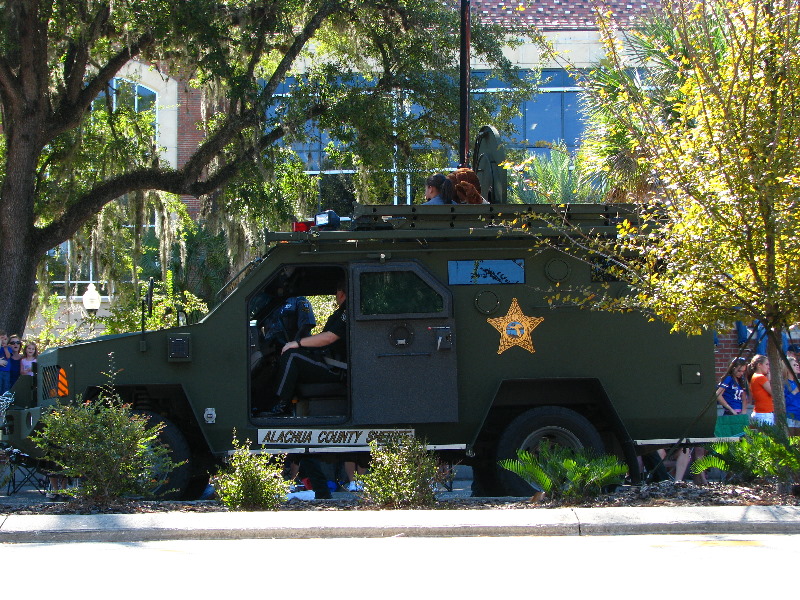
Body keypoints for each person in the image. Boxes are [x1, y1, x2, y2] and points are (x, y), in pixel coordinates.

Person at [264, 280, 348, 416]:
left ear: (342, 294)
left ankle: (281, 407)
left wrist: (297, 343)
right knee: (293, 354)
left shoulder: (347, 312)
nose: (336, 295)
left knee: (292, 355)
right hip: (327, 360)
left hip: (336, 368)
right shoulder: (340, 312)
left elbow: (329, 337)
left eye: (337, 292)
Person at [748, 354, 773, 425]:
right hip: (764, 413)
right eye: (767, 364)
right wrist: (769, 379)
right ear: (759, 365)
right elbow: (773, 392)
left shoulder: (754, 376)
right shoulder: (760, 377)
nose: (768, 367)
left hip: (760, 412)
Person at [784, 355, 800, 427]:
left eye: (797, 364)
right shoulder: (784, 383)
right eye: (794, 365)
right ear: (787, 368)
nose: (797, 366)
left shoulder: (797, 382)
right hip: (790, 416)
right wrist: (795, 391)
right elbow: (783, 402)